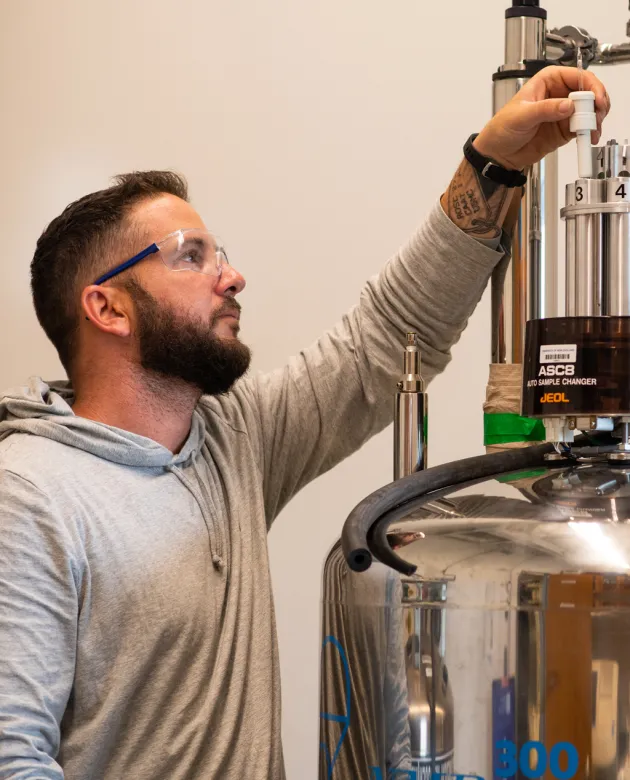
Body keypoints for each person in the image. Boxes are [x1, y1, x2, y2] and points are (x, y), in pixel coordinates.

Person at [0, 66, 609, 780]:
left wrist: (493, 163)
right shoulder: (31, 497)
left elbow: (388, 336)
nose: (231, 276)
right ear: (108, 308)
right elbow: (15, 757)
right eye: (191, 258)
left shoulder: (232, 440)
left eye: (218, 254)